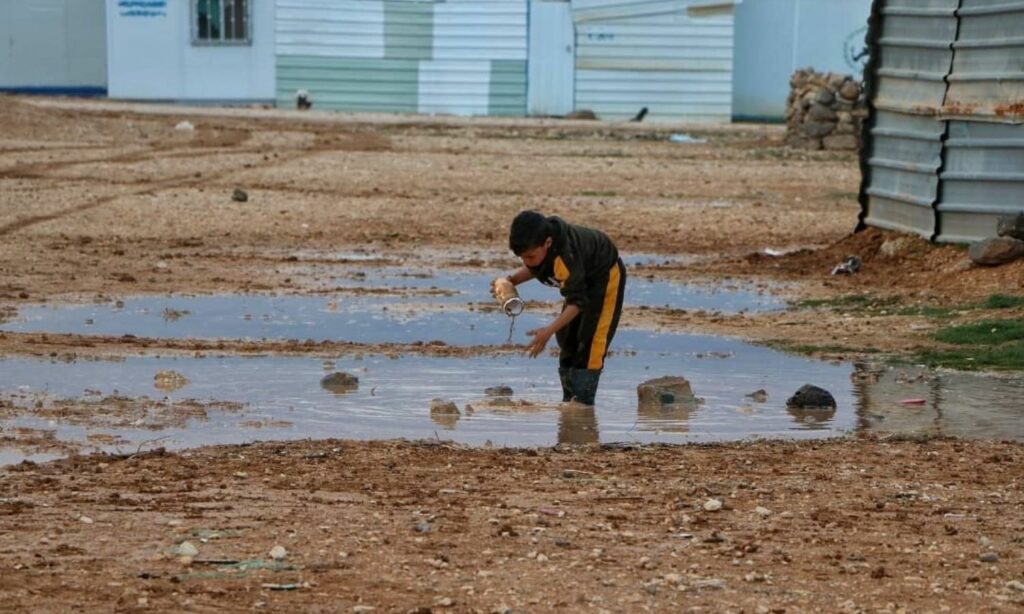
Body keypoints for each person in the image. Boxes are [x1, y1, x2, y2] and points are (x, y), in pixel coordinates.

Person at [493, 210, 626, 405]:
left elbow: (577, 302)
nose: (526, 262)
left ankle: (583, 403)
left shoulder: (565, 257)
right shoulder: (542, 247)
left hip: (603, 277)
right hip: (578, 279)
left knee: (590, 342)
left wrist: (547, 332)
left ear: (547, 243)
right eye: (522, 258)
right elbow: (537, 266)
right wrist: (511, 281)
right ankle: (569, 401)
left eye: (530, 256)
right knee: (567, 337)